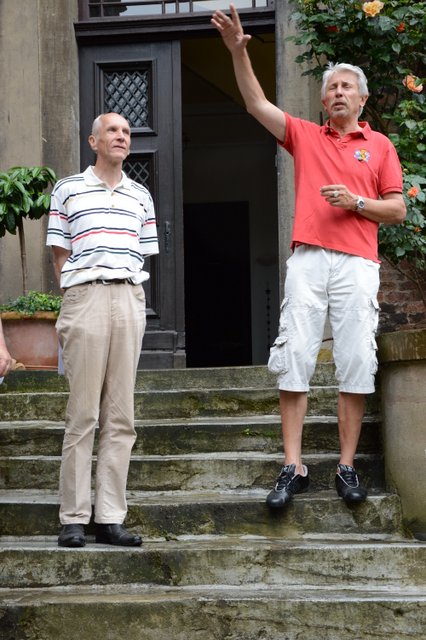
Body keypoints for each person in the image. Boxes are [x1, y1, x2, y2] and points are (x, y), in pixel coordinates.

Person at [212, 5, 406, 509]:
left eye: (347, 86)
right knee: (296, 354)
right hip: (309, 259)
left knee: (356, 358)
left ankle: (346, 466)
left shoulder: (380, 146)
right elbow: (255, 103)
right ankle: (292, 466)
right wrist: (238, 52)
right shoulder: (304, 134)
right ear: (323, 100)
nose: (338, 92)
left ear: (362, 98)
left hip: (357, 263)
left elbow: (397, 209)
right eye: (331, 87)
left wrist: (356, 203)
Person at [47, 112, 159, 547]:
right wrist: (76, 292)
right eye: (113, 130)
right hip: (86, 297)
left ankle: (110, 517)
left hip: (128, 298)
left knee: (121, 415)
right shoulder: (68, 189)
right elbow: (59, 253)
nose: (122, 136)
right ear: (93, 141)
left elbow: (143, 254)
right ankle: (74, 517)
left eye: (127, 131)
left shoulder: (141, 196)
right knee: (83, 414)